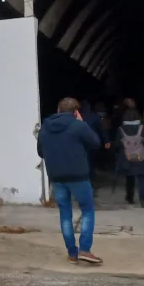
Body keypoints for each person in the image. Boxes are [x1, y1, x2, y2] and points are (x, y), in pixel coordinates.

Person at [37, 97, 103, 264]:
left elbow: (40, 152)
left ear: (58, 111)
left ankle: (72, 253)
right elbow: (96, 143)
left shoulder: (45, 128)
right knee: (87, 210)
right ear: (76, 112)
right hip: (78, 175)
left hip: (57, 177)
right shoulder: (78, 126)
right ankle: (85, 250)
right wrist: (82, 123)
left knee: (65, 214)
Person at [115, 108, 144, 208]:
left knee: (129, 178)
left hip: (126, 157)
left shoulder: (121, 129)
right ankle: (143, 200)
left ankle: (130, 197)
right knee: (142, 178)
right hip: (142, 156)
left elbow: (117, 144)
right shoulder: (143, 128)